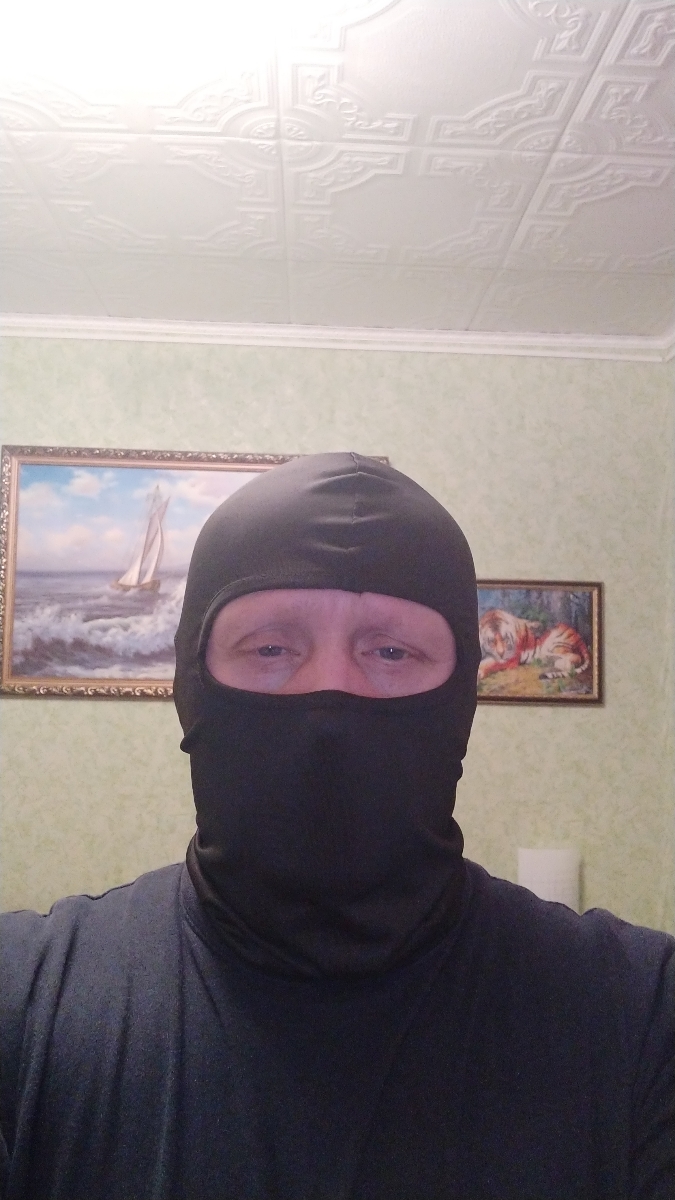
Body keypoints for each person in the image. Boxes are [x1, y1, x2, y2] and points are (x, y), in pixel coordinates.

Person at [1, 451, 673, 1200]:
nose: (329, 697)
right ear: (192, 684)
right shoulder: (20, 1002)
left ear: (460, 698)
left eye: (390, 651)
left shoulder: (641, 1015)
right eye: (270, 648)